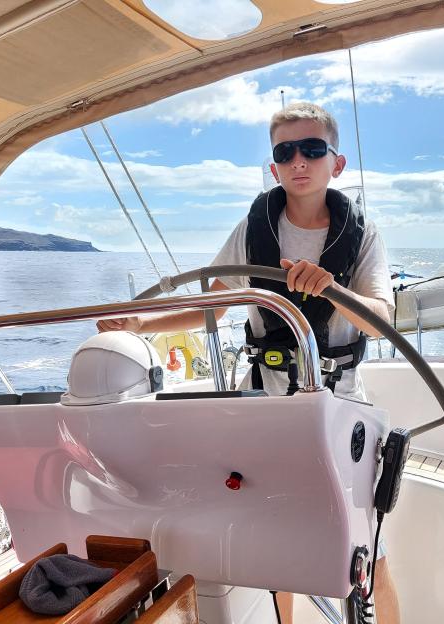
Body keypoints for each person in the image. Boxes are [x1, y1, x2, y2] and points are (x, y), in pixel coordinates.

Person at [97, 101, 400, 624]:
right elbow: (212, 303)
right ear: (274, 165)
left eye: (312, 149)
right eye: (286, 152)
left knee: (369, 550)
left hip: (341, 406)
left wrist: (333, 290)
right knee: (277, 546)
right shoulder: (254, 228)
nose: (299, 161)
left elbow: (381, 321)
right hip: (266, 406)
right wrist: (142, 325)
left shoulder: (364, 234)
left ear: (337, 163)